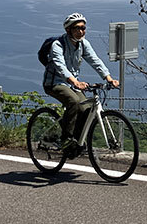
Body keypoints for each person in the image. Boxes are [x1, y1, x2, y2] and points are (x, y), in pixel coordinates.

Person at [42, 13, 119, 155]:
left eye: (83, 28)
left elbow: (94, 60)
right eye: (77, 28)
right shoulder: (58, 45)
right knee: (75, 101)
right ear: (68, 30)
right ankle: (66, 139)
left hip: (72, 84)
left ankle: (77, 141)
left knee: (87, 108)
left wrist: (108, 78)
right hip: (54, 83)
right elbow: (60, 67)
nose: (81, 31)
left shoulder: (83, 44)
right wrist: (75, 82)